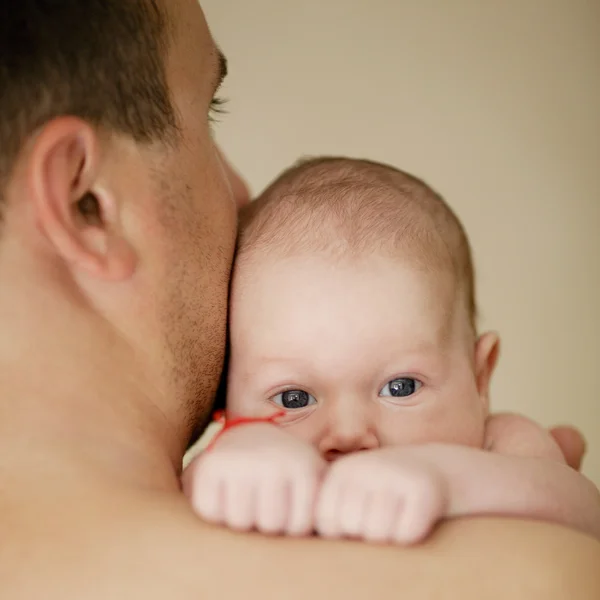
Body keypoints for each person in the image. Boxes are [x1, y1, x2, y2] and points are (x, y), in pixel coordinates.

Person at [0, 1, 598, 599]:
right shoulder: (546, 577)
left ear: (480, 372)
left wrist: (456, 481)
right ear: (89, 200)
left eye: (402, 386)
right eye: (210, 113)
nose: (242, 192)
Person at [184, 157, 600, 543]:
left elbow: (585, 510)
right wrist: (245, 457)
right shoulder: (240, 453)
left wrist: (446, 480)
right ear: (227, 394)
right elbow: (191, 498)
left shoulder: (502, 444)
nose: (349, 434)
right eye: (294, 398)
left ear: (479, 378)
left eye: (400, 387)